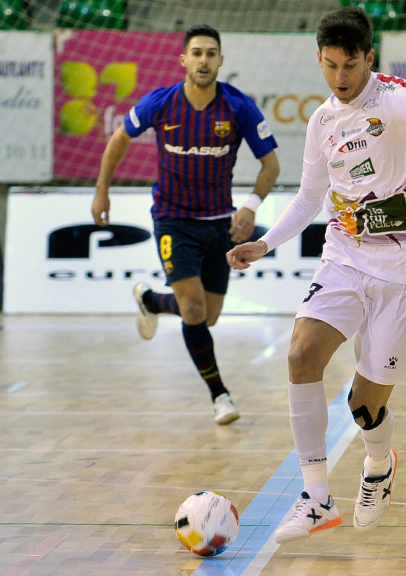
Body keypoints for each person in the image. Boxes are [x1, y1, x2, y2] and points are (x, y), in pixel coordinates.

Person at [226, 6, 406, 544]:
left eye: (349, 65)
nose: (340, 79)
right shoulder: (323, 122)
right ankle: (317, 496)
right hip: (344, 258)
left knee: (365, 407)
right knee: (301, 355)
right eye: (329, 65)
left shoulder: (395, 99)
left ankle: (377, 464)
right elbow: (309, 199)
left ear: (370, 57)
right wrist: (266, 243)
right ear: (318, 59)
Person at [91, 24, 280, 426]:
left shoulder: (238, 107)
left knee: (207, 316)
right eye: (196, 53)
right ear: (184, 60)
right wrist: (102, 190)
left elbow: (272, 164)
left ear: (221, 61)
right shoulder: (160, 103)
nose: (204, 60)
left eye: (211, 53)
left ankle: (152, 302)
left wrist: (249, 207)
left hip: (220, 224)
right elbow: (119, 140)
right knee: (193, 310)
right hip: (173, 220)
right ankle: (220, 395)